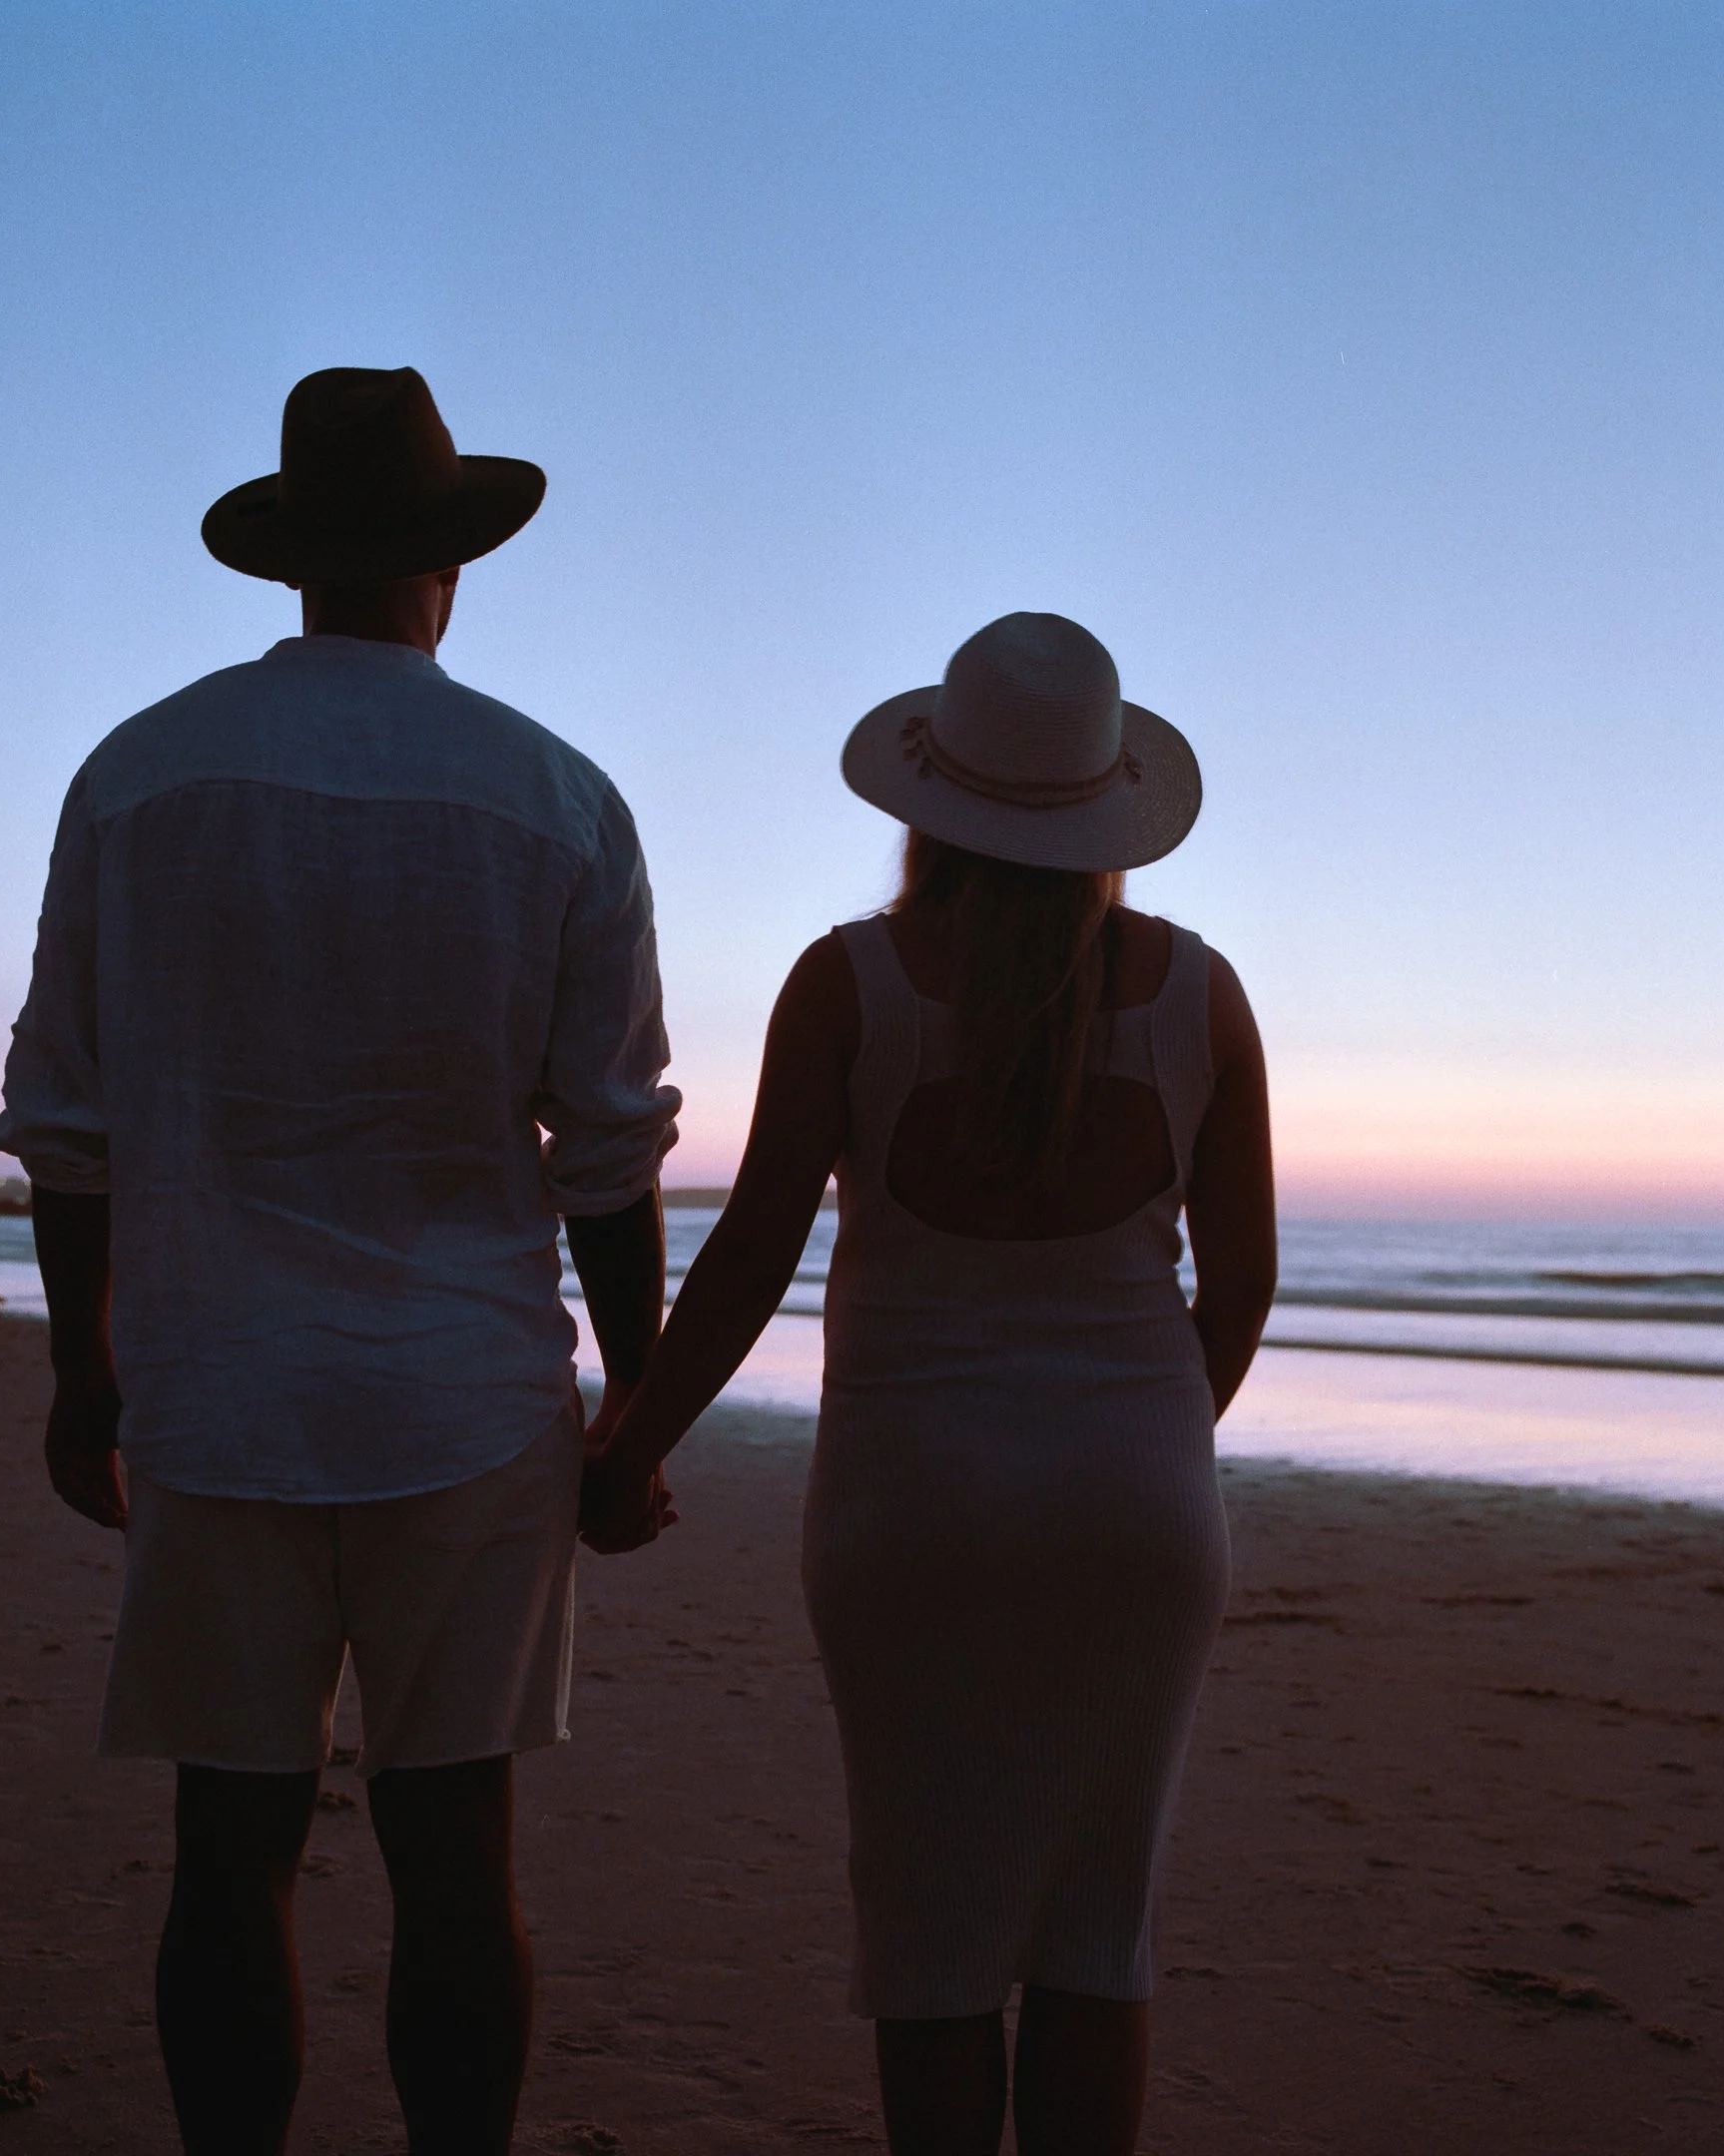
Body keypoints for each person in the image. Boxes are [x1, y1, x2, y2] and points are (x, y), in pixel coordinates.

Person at [0, 365, 680, 2156]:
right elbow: (607, 1147)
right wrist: (642, 1409)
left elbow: (71, 1120)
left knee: (230, 1853)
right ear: (450, 565)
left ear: (291, 558)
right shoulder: (556, 796)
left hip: (217, 1386)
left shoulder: (140, 777)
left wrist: (90, 1369)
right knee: (456, 1859)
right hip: (466, 1390)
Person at [580, 613, 1276, 2156]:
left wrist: (629, 1444)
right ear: (1111, 815)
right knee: (1103, 1932)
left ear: (926, 806)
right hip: (1138, 1518)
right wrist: (1152, 1440)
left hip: (912, 1513)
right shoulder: (1203, 998)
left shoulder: (848, 987)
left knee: (935, 1943)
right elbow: (1239, 1289)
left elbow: (753, 1256)